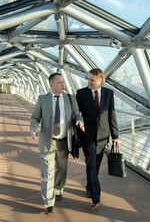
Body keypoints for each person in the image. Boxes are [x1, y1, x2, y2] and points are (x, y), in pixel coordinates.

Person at [30, 72, 84, 215]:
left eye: (63, 82)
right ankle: (48, 203)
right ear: (51, 84)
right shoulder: (43, 99)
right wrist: (33, 128)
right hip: (48, 141)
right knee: (47, 172)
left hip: (64, 142)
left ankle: (58, 188)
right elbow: (35, 117)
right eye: (59, 82)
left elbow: (77, 114)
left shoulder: (70, 99)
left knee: (62, 169)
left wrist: (79, 121)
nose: (63, 84)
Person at [76, 68, 119, 209]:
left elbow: (111, 115)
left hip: (103, 136)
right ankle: (96, 197)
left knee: (95, 165)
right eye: (88, 79)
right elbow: (76, 113)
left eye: (91, 80)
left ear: (100, 80)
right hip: (87, 134)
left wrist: (115, 136)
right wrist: (79, 121)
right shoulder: (81, 93)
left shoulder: (108, 93)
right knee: (91, 161)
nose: (88, 82)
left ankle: (89, 185)